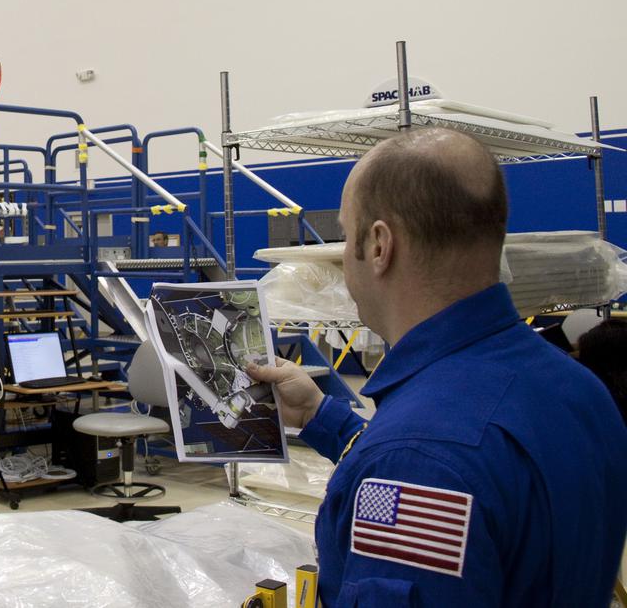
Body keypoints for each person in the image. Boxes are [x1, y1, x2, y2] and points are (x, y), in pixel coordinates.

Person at [247, 128, 627, 606]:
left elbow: (425, 459)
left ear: (381, 245)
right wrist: (318, 415)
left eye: (346, 236)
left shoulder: (416, 460)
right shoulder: (578, 389)